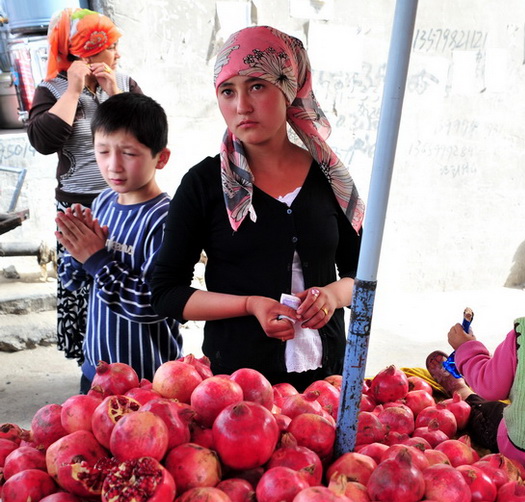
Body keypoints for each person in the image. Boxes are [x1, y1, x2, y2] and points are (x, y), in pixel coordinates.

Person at [151, 25, 364, 391]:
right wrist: (250, 305)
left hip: (328, 385)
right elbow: (166, 292)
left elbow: (362, 278)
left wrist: (331, 295)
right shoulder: (203, 185)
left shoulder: (330, 178)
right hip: (237, 395)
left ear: (287, 88)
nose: (241, 106)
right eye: (227, 91)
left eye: (257, 86)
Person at [26, 7, 142, 366]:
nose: (118, 54)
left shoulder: (124, 82)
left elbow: (144, 137)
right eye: (111, 46)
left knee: (124, 282)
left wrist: (116, 94)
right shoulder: (53, 89)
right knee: (83, 292)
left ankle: (130, 360)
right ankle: (91, 366)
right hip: (78, 210)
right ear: (88, 51)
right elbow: (44, 140)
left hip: (126, 205)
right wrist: (75, 89)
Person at [55, 92, 182, 393]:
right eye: (102, 152)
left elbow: (154, 304)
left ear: (160, 158)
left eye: (128, 153)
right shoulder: (102, 203)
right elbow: (71, 282)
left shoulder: (166, 220)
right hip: (97, 370)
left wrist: (97, 259)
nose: (113, 166)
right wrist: (76, 249)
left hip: (148, 378)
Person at [426, 317, 525, 476]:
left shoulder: (524, 335)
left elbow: (490, 387)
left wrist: (466, 347)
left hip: (518, 454)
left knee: (488, 410)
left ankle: (461, 391)